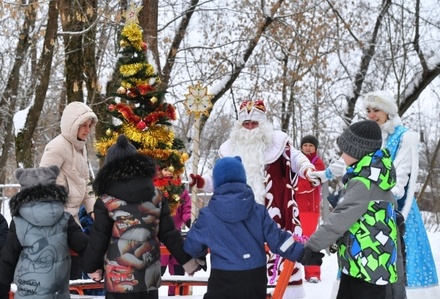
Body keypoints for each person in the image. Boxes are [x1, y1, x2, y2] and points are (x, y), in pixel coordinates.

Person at [190, 100, 317, 298]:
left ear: (263, 124)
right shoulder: (229, 149)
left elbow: (297, 159)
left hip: (270, 214)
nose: (249, 128)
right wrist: (201, 182)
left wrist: (308, 169)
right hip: (249, 244)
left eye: (254, 123)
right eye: (245, 124)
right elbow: (219, 179)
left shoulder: (278, 142)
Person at [184, 156, 324, 299]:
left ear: (216, 182)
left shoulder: (208, 215)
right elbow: (278, 239)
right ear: (242, 178)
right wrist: (301, 253)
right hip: (254, 276)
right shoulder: (258, 211)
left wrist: (200, 253)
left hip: (223, 276)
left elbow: (191, 245)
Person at [83, 135, 203, 299]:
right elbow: (169, 234)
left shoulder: (106, 201)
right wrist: (188, 261)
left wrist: (92, 267)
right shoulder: (156, 196)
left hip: (119, 282)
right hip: (149, 279)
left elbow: (99, 238)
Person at [305, 120, 400, 299]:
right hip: (367, 265)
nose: (342, 155)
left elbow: (339, 220)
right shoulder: (378, 178)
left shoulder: (363, 183)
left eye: (344, 150)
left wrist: (311, 247)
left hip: (367, 267)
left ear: (357, 152)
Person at [362, 91, 438, 292]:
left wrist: (382, 201)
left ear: (388, 111)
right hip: (367, 207)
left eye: (376, 110)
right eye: (368, 110)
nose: (371, 115)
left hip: (396, 208)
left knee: (399, 261)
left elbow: (401, 175)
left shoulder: (406, 136)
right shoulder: (368, 137)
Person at [0, 165, 89, 299]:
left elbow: (8, 259)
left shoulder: (18, 222)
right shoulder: (65, 219)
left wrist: (2, 289)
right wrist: (96, 268)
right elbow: (84, 245)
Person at [40, 101, 98, 279]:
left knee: (75, 272)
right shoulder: (56, 147)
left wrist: (93, 210)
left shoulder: (81, 148)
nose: (87, 130)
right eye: (83, 125)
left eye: (89, 125)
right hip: (57, 220)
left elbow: (86, 181)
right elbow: (42, 184)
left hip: (74, 220)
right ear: (72, 125)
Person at [295, 135, 326, 283]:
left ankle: (312, 272)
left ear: (315, 148)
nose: (307, 148)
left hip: (309, 209)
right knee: (292, 239)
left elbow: (309, 183)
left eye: (311, 145)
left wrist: (292, 187)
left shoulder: (317, 163)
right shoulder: (295, 162)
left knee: (310, 240)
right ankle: (290, 271)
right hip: (295, 206)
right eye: (305, 145)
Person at [157, 166, 192, 296]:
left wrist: (189, 221)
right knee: (157, 272)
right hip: (160, 236)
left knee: (178, 273)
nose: (169, 172)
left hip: (176, 234)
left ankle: (176, 295)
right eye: (165, 169)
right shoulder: (156, 188)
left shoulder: (180, 189)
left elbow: (186, 209)